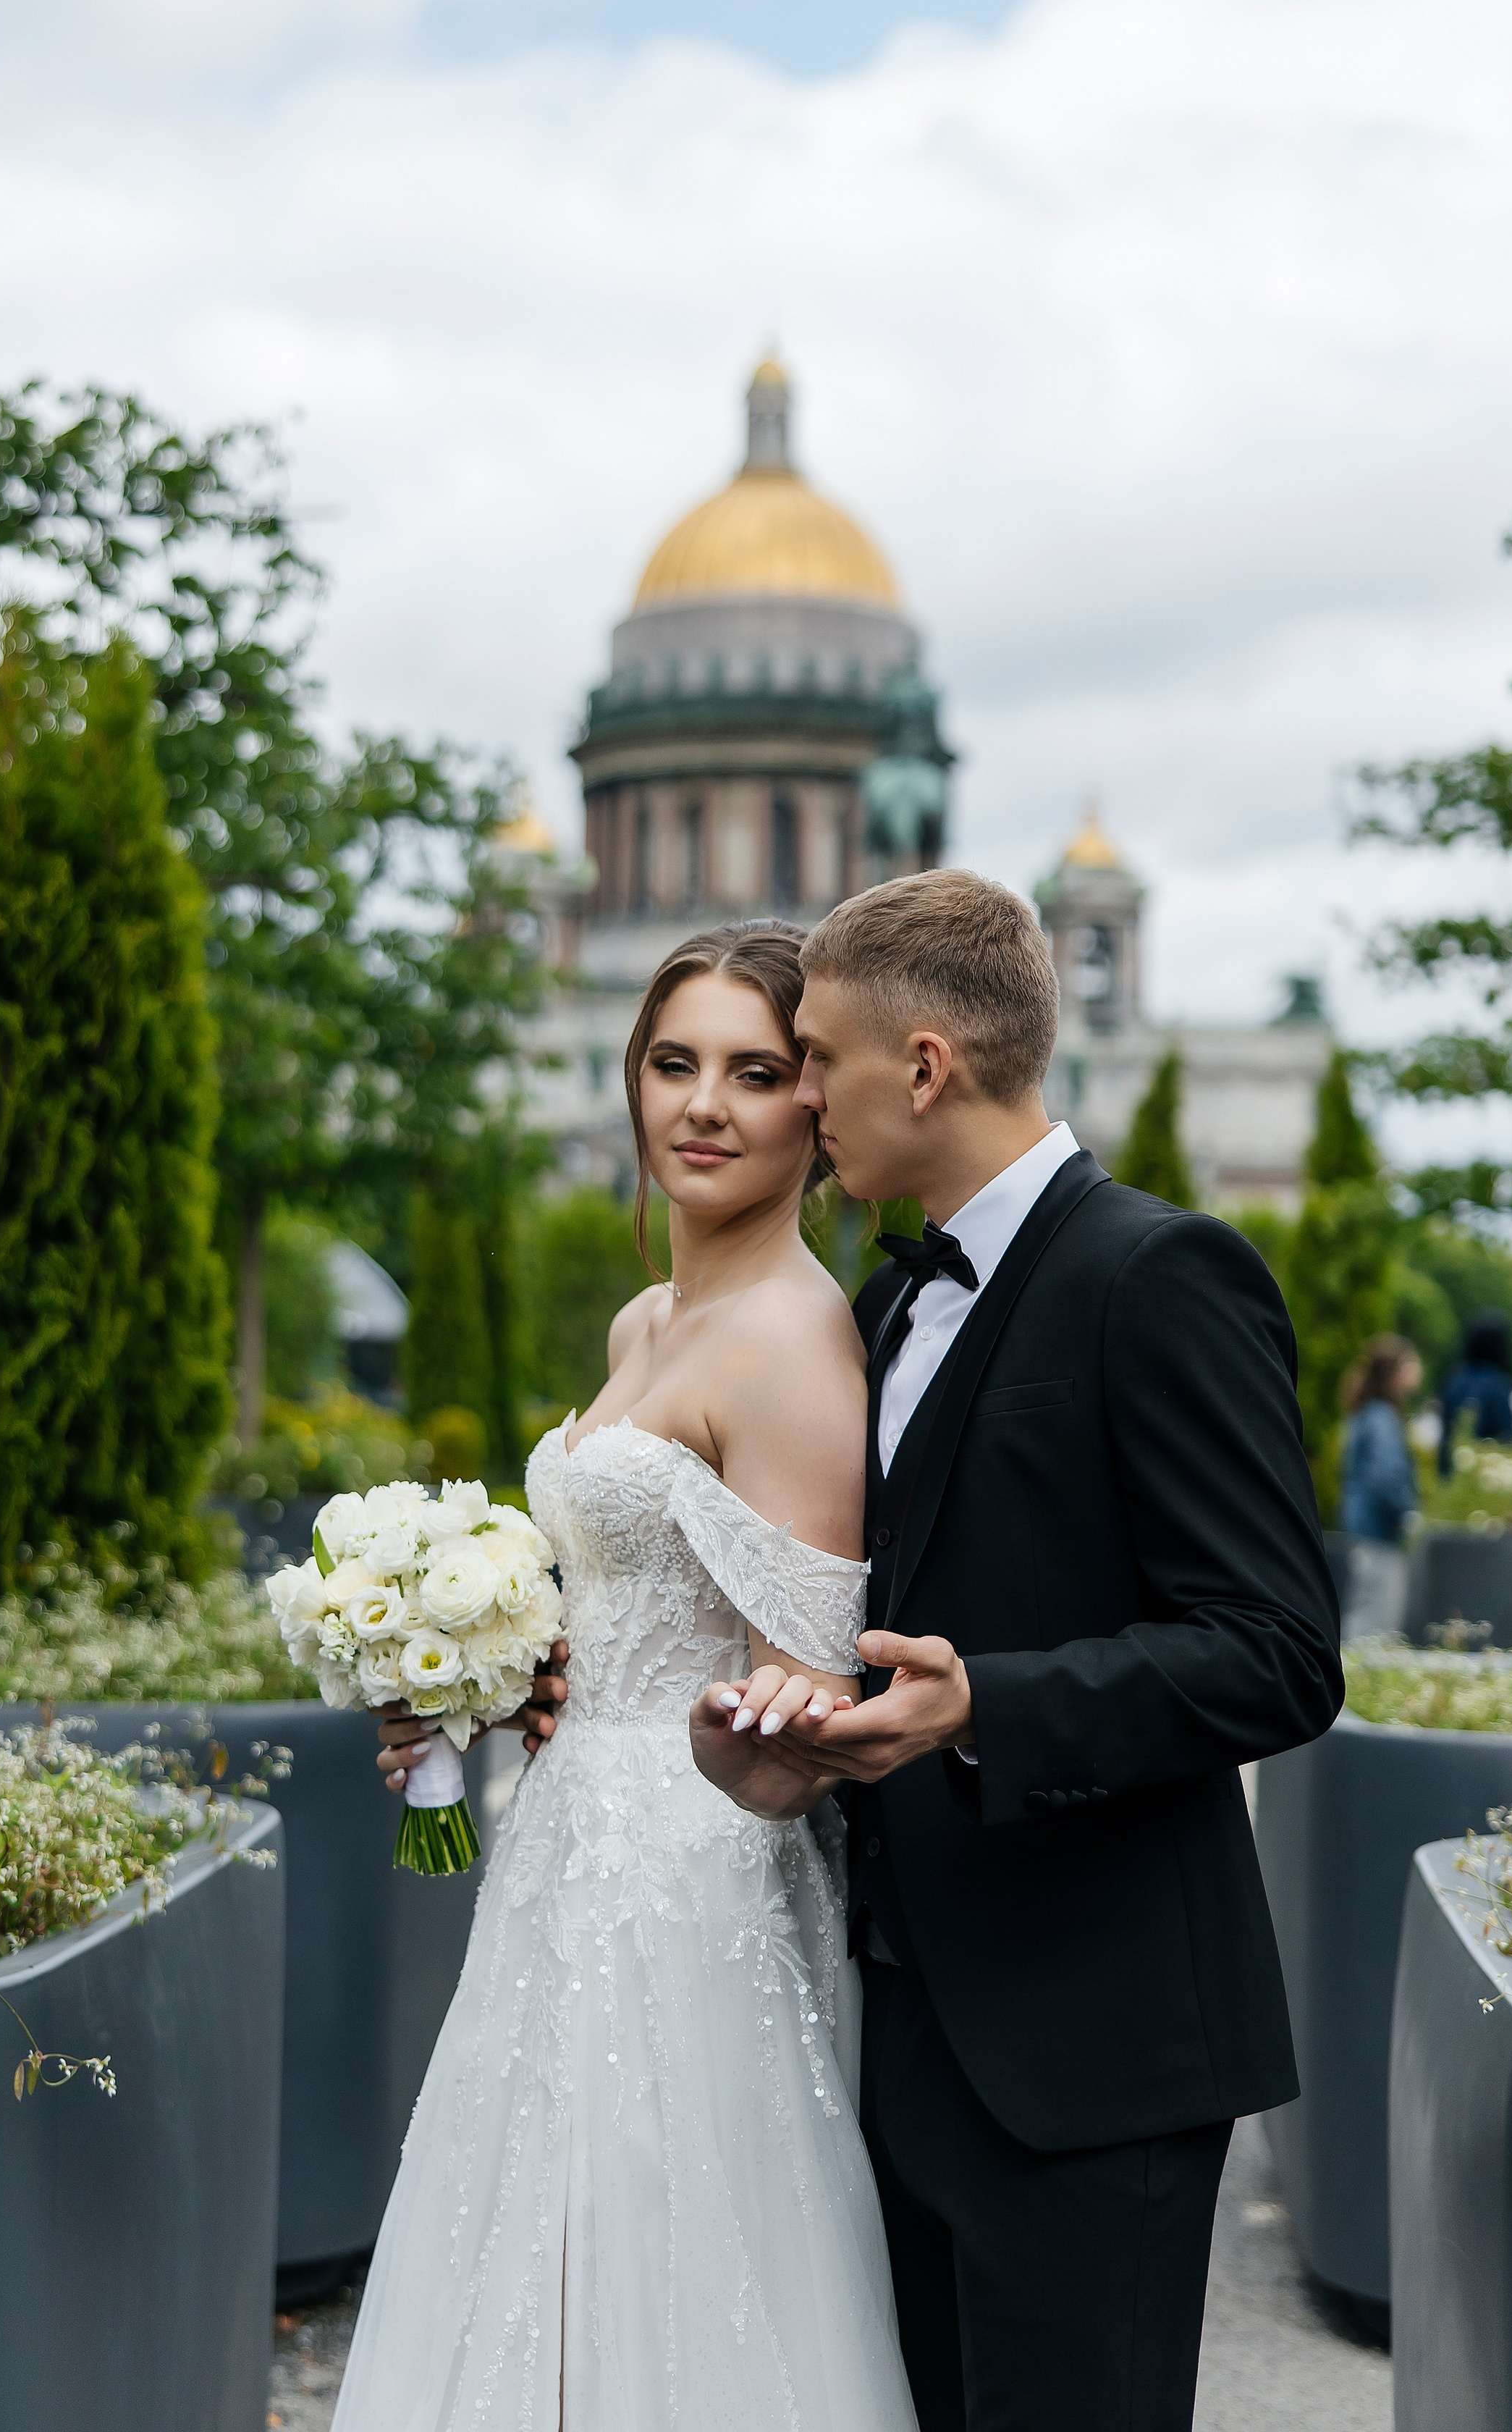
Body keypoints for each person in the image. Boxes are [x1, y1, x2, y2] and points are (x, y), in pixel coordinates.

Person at [693, 868, 1343, 2432]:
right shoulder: (883, 1300)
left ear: (921, 1067)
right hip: (901, 2028)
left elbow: (1273, 1652)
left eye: (819, 1062)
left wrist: (989, 1705)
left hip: (1090, 2052)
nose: (804, 1104)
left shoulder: (1157, 1273)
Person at [335, 921, 918, 2431]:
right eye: (673, 1065)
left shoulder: (795, 1344)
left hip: (692, 1875)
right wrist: (487, 1679)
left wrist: (660, 1753)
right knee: (531, 2248)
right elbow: (630, 1596)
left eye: (754, 1070)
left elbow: (799, 1687)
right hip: (560, 1836)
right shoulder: (642, 1320)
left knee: (661, 2249)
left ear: (814, 1108)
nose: (702, 1106)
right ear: (632, 1083)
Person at [1339, 1333, 1423, 1638]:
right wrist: (1408, 1511)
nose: (1417, 1370)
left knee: (1366, 1608)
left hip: (1364, 1529)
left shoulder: (1367, 1412)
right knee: (1378, 1617)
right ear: (1395, 1371)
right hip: (1379, 1531)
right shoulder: (1381, 1417)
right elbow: (1386, 1475)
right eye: (1411, 1363)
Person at [1437, 1310, 1512, 1477]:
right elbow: (1507, 1439)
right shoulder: (1498, 1383)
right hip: (1484, 1475)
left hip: (1451, 1470)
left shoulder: (1453, 1378)